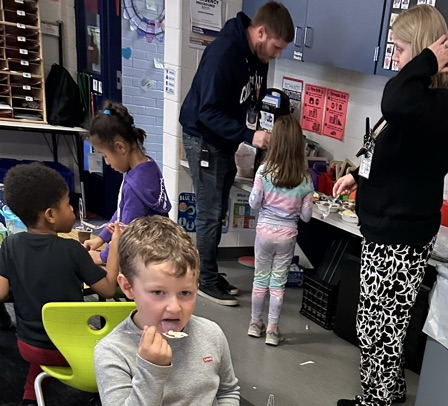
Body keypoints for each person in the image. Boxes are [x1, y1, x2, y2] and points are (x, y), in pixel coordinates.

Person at [333, 5, 448, 406]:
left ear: (426, 49)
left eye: (402, 48)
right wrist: (358, 176)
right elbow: (394, 155)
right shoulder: (421, 101)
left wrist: (426, 60)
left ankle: (375, 402)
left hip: (400, 232)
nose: (396, 57)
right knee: (388, 315)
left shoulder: (442, 105)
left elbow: (394, 101)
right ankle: (391, 386)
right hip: (390, 226)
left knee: (379, 321)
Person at [179, 2, 294, 306]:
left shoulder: (258, 58)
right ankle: (204, 281)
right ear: (261, 32)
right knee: (210, 213)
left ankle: (210, 273)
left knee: (217, 211)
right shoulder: (224, 53)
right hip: (203, 138)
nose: (277, 54)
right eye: (277, 47)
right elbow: (206, 111)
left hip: (224, 142)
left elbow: (254, 100)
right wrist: (249, 136)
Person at [94, 215, 240, 406]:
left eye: (185, 293)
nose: (174, 307)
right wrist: (151, 369)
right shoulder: (112, 351)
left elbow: (228, 390)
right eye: (158, 293)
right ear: (128, 287)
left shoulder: (211, 333)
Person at [0, 162, 121, 406]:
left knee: (44, 346)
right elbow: (107, 288)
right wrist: (115, 246)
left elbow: (1, 292)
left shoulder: (10, 245)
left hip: (30, 347)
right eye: (68, 204)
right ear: (51, 215)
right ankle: (101, 398)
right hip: (73, 349)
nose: (73, 210)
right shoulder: (73, 250)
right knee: (107, 342)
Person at [247, 114, 313, 346]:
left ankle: (255, 323)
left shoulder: (263, 171)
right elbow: (306, 217)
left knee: (260, 279)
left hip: (264, 232)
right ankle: (273, 330)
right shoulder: (304, 178)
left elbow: (254, 203)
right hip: (287, 236)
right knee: (278, 283)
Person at [83, 99, 171, 264]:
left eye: (105, 156)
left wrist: (103, 257)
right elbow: (122, 212)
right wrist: (101, 239)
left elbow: (125, 230)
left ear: (120, 147)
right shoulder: (148, 166)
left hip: (145, 259)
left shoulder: (134, 187)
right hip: (158, 249)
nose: (107, 163)